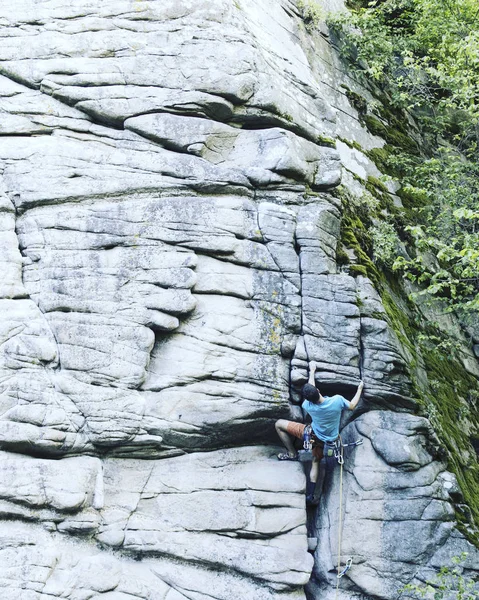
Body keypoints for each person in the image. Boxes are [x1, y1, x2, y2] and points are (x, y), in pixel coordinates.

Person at [275, 360, 364, 503]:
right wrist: (359, 388)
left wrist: (311, 372)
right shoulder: (337, 401)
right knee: (316, 461)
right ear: (318, 391)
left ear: (309, 399)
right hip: (330, 441)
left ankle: (292, 454)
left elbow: (311, 391)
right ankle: (311, 496)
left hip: (311, 435)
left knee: (279, 424)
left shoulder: (307, 406)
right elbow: (352, 405)